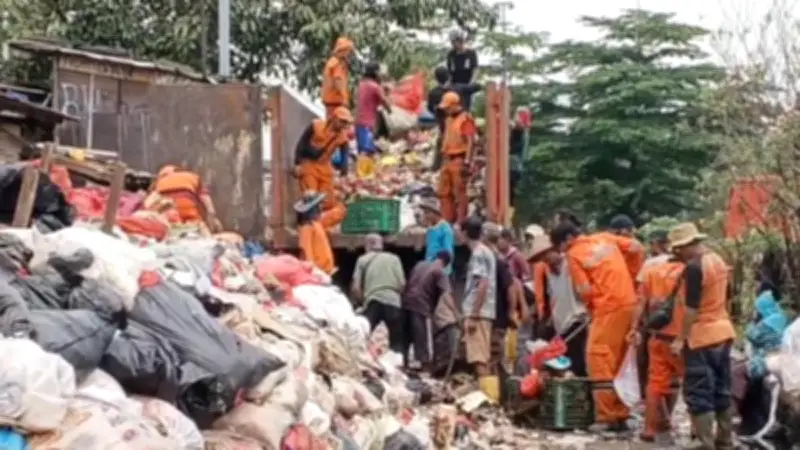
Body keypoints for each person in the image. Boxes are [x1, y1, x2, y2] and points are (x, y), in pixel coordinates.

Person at [550, 221, 637, 432]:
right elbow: (636, 248)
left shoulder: (574, 254)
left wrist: (590, 307)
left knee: (597, 356)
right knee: (617, 359)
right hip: (629, 303)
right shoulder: (606, 238)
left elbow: (584, 289)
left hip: (607, 307)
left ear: (568, 239)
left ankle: (606, 416)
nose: (562, 251)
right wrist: (631, 277)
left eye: (561, 246)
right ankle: (620, 413)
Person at [667, 222, 736, 450]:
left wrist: (680, 339)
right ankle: (725, 440)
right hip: (723, 332)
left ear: (687, 245)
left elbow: (691, 308)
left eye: (678, 249)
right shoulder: (717, 260)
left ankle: (705, 443)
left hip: (702, 336)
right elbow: (727, 296)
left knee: (699, 390)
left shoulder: (694, 268)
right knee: (722, 387)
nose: (678, 254)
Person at [627, 253, 686, 444]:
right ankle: (693, 430)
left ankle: (649, 429)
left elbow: (640, 303)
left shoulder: (651, 272)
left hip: (657, 336)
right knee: (687, 382)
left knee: (655, 382)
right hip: (682, 339)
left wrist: (634, 328)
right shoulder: (689, 271)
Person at [526, 233, 588, 377]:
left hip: (577, 319)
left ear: (555, 249)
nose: (545, 260)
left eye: (546, 255)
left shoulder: (570, 264)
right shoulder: (551, 273)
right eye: (542, 258)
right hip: (563, 325)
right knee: (567, 362)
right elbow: (555, 298)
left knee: (578, 362)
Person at [294, 107, 353, 229]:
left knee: (329, 202)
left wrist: (344, 172)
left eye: (346, 122)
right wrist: (297, 163)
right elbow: (301, 144)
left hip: (325, 166)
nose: (343, 125)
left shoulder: (342, 136)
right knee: (311, 197)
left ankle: (318, 225)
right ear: (334, 118)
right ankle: (307, 225)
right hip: (309, 165)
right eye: (342, 121)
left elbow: (344, 155)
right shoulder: (316, 126)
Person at [461, 217, 498, 401]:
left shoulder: (478, 253)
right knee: (484, 357)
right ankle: (491, 398)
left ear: (465, 233)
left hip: (479, 313)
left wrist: (474, 314)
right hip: (485, 311)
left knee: (479, 359)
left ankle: (489, 401)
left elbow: (482, 283)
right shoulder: (486, 251)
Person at [402, 250, 455, 375]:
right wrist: (456, 315)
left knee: (406, 337)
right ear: (447, 264)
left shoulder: (420, 265)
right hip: (421, 306)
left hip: (405, 303)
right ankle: (426, 369)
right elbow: (447, 296)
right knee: (423, 338)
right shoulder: (440, 272)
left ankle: (404, 366)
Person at [352, 234, 406, 354]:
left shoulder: (362, 260)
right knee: (396, 340)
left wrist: (362, 303)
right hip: (393, 301)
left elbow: (356, 288)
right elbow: (402, 284)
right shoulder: (394, 259)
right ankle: (397, 365)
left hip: (373, 301)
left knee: (364, 335)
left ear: (367, 245)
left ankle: (364, 360)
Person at [437, 91, 476, 223]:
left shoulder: (466, 119)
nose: (446, 110)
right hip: (447, 159)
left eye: (448, 107)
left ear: (455, 105)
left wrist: (467, 162)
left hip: (459, 159)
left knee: (460, 194)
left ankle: (460, 223)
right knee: (444, 193)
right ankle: (447, 220)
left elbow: (471, 141)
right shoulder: (448, 120)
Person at [149, 164, 223, 232]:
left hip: (166, 214)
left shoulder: (158, 183)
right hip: (188, 210)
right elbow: (205, 198)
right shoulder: (193, 176)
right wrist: (212, 216)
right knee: (196, 228)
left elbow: (150, 203)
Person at [355, 62, 392, 179]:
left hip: (359, 121)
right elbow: (386, 104)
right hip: (367, 123)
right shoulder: (375, 87)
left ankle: (366, 176)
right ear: (376, 73)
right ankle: (363, 177)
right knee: (366, 152)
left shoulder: (362, 84)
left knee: (366, 150)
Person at [594, 214, 645, 283]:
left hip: (629, 284)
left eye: (613, 232)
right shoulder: (631, 242)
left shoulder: (630, 244)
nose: (613, 234)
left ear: (623, 231)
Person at [296, 192, 335, 275]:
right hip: (317, 272)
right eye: (319, 205)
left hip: (324, 271)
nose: (321, 207)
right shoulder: (307, 227)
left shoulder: (316, 224)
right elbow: (306, 252)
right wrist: (313, 272)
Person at [420, 198, 455, 275]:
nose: (425, 216)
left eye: (427, 213)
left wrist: (439, 267)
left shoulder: (445, 228)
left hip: (441, 271)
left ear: (435, 213)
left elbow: (448, 253)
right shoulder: (431, 227)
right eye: (424, 213)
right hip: (430, 267)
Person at [446, 29, 479, 110]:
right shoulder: (451, 54)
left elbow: (475, 69)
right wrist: (448, 83)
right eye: (452, 42)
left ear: (461, 41)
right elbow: (450, 72)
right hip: (455, 84)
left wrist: (471, 83)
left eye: (454, 41)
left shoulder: (471, 53)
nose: (453, 44)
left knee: (466, 105)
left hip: (467, 83)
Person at [322, 37, 354, 117]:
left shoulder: (332, 61)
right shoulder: (337, 64)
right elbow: (338, 81)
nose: (350, 55)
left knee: (330, 124)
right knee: (335, 126)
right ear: (344, 51)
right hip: (336, 101)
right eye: (349, 52)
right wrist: (345, 100)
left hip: (330, 100)